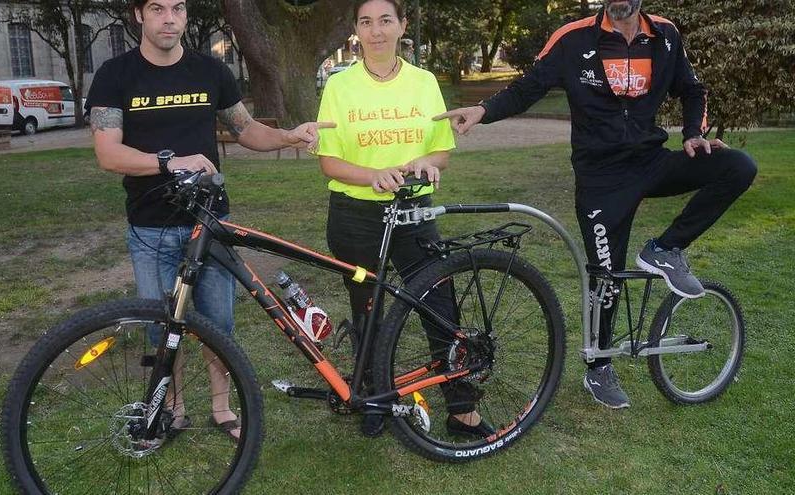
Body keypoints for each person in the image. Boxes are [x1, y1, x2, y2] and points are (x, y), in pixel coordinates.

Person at [435, 0, 756, 409]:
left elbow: (692, 89)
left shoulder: (665, 35)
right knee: (606, 281)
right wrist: (482, 110)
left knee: (738, 166)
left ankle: (665, 249)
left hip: (651, 161)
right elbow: (528, 86)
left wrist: (694, 132)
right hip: (600, 181)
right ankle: (599, 367)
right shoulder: (573, 39)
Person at [86, 0, 331, 440]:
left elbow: (246, 129)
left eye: (177, 8)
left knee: (218, 324)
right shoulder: (115, 75)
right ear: (139, 15)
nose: (169, 18)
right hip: (150, 226)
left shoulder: (210, 71)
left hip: (209, 222)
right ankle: (174, 408)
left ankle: (222, 407)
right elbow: (108, 152)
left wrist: (288, 135)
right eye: (157, 8)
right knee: (162, 327)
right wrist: (173, 163)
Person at [316, 0, 490, 438]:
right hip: (355, 216)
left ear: (402, 26)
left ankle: (461, 407)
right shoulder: (339, 85)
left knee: (439, 304)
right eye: (366, 22)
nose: (376, 31)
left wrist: (425, 164)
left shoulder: (423, 82)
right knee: (367, 309)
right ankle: (375, 399)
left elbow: (441, 150)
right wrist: (373, 175)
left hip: (415, 211)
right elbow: (330, 162)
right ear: (356, 30)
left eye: (385, 21)